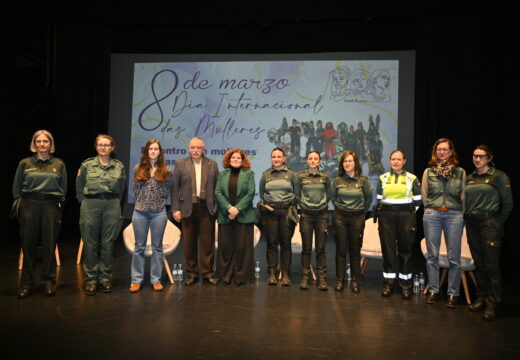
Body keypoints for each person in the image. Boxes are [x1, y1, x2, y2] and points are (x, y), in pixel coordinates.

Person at [13, 130, 67, 299]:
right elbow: (16, 189)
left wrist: (58, 205)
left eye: (46, 141)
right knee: (28, 245)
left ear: (51, 144)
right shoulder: (24, 163)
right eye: (39, 141)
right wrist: (21, 206)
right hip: (29, 205)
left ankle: (49, 282)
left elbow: (63, 189)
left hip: (51, 205)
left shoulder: (59, 164)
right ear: (34, 144)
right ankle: (26, 285)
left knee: (49, 244)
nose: (42, 144)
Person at [464, 145, 513, 320]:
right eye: (475, 156)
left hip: (489, 223)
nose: (477, 159)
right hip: (471, 223)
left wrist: (498, 222)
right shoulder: (469, 178)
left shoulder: (499, 176)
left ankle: (493, 303)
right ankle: (481, 297)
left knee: (491, 264)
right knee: (479, 263)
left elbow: (508, 204)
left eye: (481, 156)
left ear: (489, 158)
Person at [76, 134, 126, 296]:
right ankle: (90, 280)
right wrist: (85, 203)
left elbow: (122, 189)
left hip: (112, 205)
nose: (103, 147)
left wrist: (114, 203)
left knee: (108, 243)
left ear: (112, 148)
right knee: (90, 243)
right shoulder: (86, 166)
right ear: (96, 147)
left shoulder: (119, 167)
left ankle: (105, 278)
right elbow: (79, 187)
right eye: (100, 144)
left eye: (107, 145)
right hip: (90, 205)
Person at [422, 138, 465, 308]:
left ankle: (453, 293)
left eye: (445, 149)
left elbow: (463, 196)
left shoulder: (460, 172)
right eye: (439, 149)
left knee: (454, 258)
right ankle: (433, 289)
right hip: (432, 214)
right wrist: (430, 209)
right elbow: (425, 195)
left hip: (454, 215)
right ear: (435, 152)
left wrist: (462, 213)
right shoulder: (429, 172)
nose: (442, 152)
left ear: (450, 151)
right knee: (432, 256)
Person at [171, 137, 219, 286]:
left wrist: (216, 207)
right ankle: (191, 274)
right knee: (189, 244)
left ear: (203, 149)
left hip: (206, 208)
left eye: (199, 148)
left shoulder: (212, 164)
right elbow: (174, 189)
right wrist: (175, 209)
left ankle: (207, 273)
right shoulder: (180, 164)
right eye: (193, 148)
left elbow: (217, 187)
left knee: (207, 243)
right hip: (187, 208)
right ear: (189, 149)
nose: (196, 150)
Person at [376, 150, 421, 299]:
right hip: (386, 215)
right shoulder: (382, 178)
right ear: (389, 161)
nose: (396, 161)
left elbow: (418, 200)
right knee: (388, 251)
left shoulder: (412, 178)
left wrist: (409, 213)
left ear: (404, 161)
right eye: (393, 159)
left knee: (405, 251)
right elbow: (379, 198)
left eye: (399, 159)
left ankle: (405, 285)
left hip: (406, 216)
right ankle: (388, 284)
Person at [129, 140, 173, 293]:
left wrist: (156, 200)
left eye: (156, 149)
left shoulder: (167, 170)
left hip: (159, 213)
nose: (153, 151)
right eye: (151, 149)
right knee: (139, 247)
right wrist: (144, 201)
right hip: (140, 212)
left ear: (160, 152)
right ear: (147, 151)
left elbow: (168, 190)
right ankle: (136, 280)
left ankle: (156, 279)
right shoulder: (138, 169)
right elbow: (135, 190)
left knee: (157, 247)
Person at [331, 151, 372, 292]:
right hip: (340, 217)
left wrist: (360, 211)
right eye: (345, 161)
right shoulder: (337, 180)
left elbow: (368, 200)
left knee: (355, 250)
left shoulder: (363, 180)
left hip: (357, 217)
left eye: (350, 161)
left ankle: (355, 280)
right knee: (341, 250)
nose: (347, 164)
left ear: (355, 163)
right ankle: (340, 280)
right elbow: (333, 198)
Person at [259, 147, 300, 286]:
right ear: (271, 158)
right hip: (270, 212)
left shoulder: (292, 174)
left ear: (284, 159)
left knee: (286, 244)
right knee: (271, 243)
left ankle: (286, 273)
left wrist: (288, 205)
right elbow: (262, 193)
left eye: (279, 157)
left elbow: (297, 194)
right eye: (273, 157)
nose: (276, 159)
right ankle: (272, 272)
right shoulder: (266, 175)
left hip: (286, 213)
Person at [215, 148, 256, 286]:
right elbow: (218, 193)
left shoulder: (249, 174)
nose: (235, 160)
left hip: (243, 215)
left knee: (242, 248)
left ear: (243, 161)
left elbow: (250, 193)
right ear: (228, 160)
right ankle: (225, 276)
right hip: (225, 215)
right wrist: (229, 208)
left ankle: (241, 276)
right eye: (233, 158)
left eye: (239, 158)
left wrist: (237, 209)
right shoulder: (222, 174)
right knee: (225, 248)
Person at [297, 151, 331, 291]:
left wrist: (320, 205)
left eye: (315, 158)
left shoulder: (326, 177)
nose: (312, 161)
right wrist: (306, 206)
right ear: (307, 160)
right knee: (306, 247)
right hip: (306, 215)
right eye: (310, 158)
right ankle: (305, 277)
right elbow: (298, 195)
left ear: (319, 161)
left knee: (321, 248)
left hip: (322, 215)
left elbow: (329, 194)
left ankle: (322, 278)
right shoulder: (301, 177)